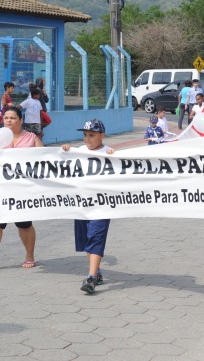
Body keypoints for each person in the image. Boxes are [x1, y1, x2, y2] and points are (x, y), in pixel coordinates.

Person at [0, 107, 44, 273]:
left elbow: (45, 158)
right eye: (6, 118)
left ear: (21, 120)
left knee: (24, 225)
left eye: (13, 118)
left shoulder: (31, 138)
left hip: (23, 192)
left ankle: (29, 256)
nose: (8, 121)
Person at [61, 119, 115, 294]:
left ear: (102, 136)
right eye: (85, 135)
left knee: (96, 237)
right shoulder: (79, 152)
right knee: (86, 240)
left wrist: (116, 157)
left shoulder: (109, 152)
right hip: (82, 205)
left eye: (91, 135)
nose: (87, 139)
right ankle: (97, 272)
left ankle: (91, 278)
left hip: (102, 205)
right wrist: (65, 152)